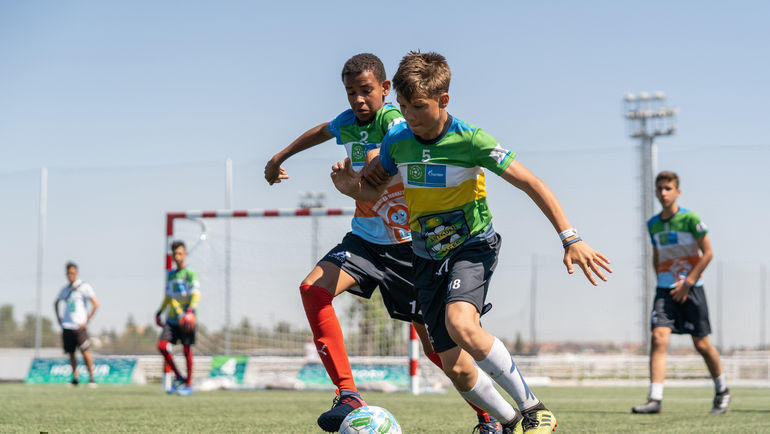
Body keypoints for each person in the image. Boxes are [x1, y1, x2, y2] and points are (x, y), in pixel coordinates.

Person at [331, 51, 612, 433]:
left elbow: (532, 183)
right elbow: (370, 189)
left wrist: (570, 238)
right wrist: (351, 188)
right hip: (425, 256)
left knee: (462, 323)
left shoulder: (472, 139)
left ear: (443, 101)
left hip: (471, 246)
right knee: (457, 369)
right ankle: (512, 422)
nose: (408, 116)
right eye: (403, 107)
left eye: (418, 107)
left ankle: (534, 408)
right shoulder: (397, 139)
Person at [265, 53, 502, 433]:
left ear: (386, 90)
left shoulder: (394, 122)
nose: (358, 100)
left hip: (410, 249)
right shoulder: (348, 122)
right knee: (312, 289)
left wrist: (350, 184)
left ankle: (490, 417)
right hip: (366, 240)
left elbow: (373, 177)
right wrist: (280, 157)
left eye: (366, 91)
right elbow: (323, 130)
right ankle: (348, 395)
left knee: (437, 349)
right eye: (351, 92)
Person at [632, 171, 730, 414]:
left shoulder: (690, 219)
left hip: (692, 289)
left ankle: (722, 390)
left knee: (701, 344)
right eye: (660, 189)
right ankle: (655, 399)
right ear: (655, 192)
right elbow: (656, 256)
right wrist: (663, 282)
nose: (663, 193)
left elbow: (708, 253)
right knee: (658, 337)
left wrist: (688, 282)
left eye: (668, 188)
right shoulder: (652, 224)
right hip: (665, 291)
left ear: (677, 192)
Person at [155, 240, 200, 396]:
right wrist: (159, 311)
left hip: (187, 319)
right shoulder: (171, 275)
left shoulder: (190, 274)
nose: (177, 256)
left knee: (187, 350)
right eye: (175, 254)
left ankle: (188, 384)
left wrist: (190, 311)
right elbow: (168, 296)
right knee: (161, 346)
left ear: (185, 254)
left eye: (180, 253)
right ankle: (179, 376)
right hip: (172, 319)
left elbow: (196, 294)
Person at [54, 262, 99, 387]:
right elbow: (56, 302)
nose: (70, 275)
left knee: (85, 351)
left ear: (77, 273)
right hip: (67, 326)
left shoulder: (84, 287)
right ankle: (75, 378)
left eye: (73, 273)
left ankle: (92, 378)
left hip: (79, 326)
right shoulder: (65, 289)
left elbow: (95, 303)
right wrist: (59, 318)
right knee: (71, 353)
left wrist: (87, 319)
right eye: (68, 273)